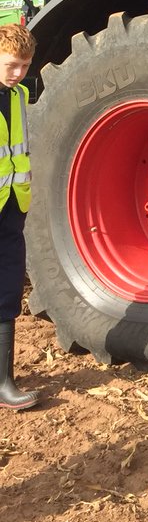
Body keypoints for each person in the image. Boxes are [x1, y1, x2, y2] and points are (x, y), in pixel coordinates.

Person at [0, 24, 38, 410]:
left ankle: (4, 382)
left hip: (11, 209)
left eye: (25, 66)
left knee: (8, 291)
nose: (18, 73)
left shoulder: (20, 96)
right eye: (12, 64)